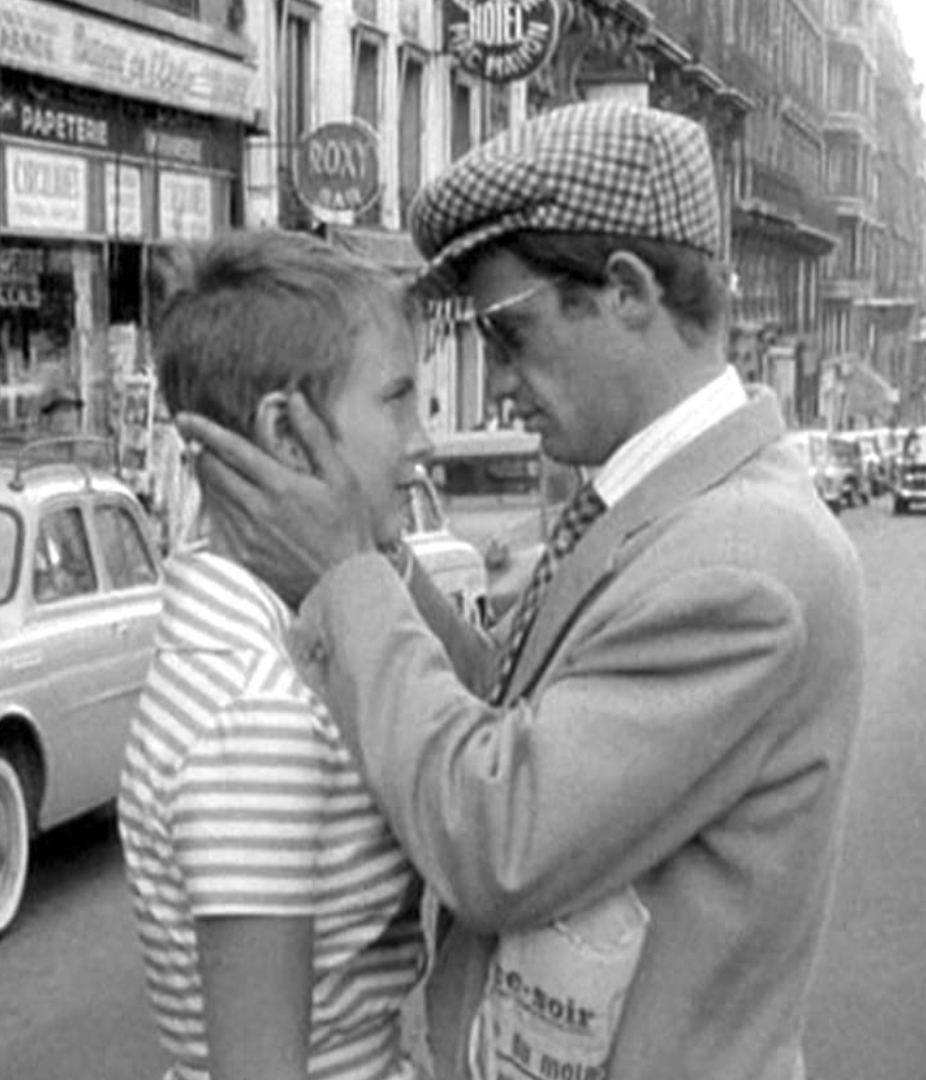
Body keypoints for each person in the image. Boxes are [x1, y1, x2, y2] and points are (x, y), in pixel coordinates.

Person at [179, 101, 865, 1080]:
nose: (497, 381)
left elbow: (498, 838)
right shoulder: (673, 509)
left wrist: (343, 574)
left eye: (510, 334)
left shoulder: (742, 561)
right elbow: (509, 703)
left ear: (626, 291)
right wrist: (377, 554)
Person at [116, 230, 435, 1080]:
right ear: (287, 434)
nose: (423, 441)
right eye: (398, 400)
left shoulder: (244, 652)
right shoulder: (257, 712)